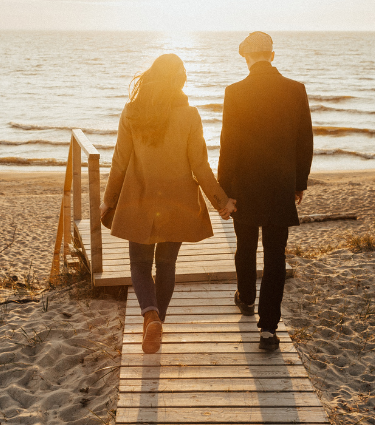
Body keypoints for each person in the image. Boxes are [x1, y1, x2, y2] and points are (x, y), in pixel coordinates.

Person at [101, 53, 236, 354]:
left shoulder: (132, 112)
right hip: (178, 202)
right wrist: (221, 202)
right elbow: (200, 167)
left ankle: (150, 316)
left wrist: (107, 201)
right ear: (180, 81)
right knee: (166, 264)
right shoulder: (190, 116)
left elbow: (120, 163)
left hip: (139, 199)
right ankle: (157, 321)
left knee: (138, 263)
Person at [218, 32, 313, 351]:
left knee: (245, 247)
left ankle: (245, 298)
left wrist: (225, 192)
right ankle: (268, 329)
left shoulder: (234, 92)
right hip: (279, 186)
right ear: (272, 56)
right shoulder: (295, 90)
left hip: (244, 187)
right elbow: (305, 142)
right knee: (275, 256)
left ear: (247, 58)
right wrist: (299, 183)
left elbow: (227, 146)